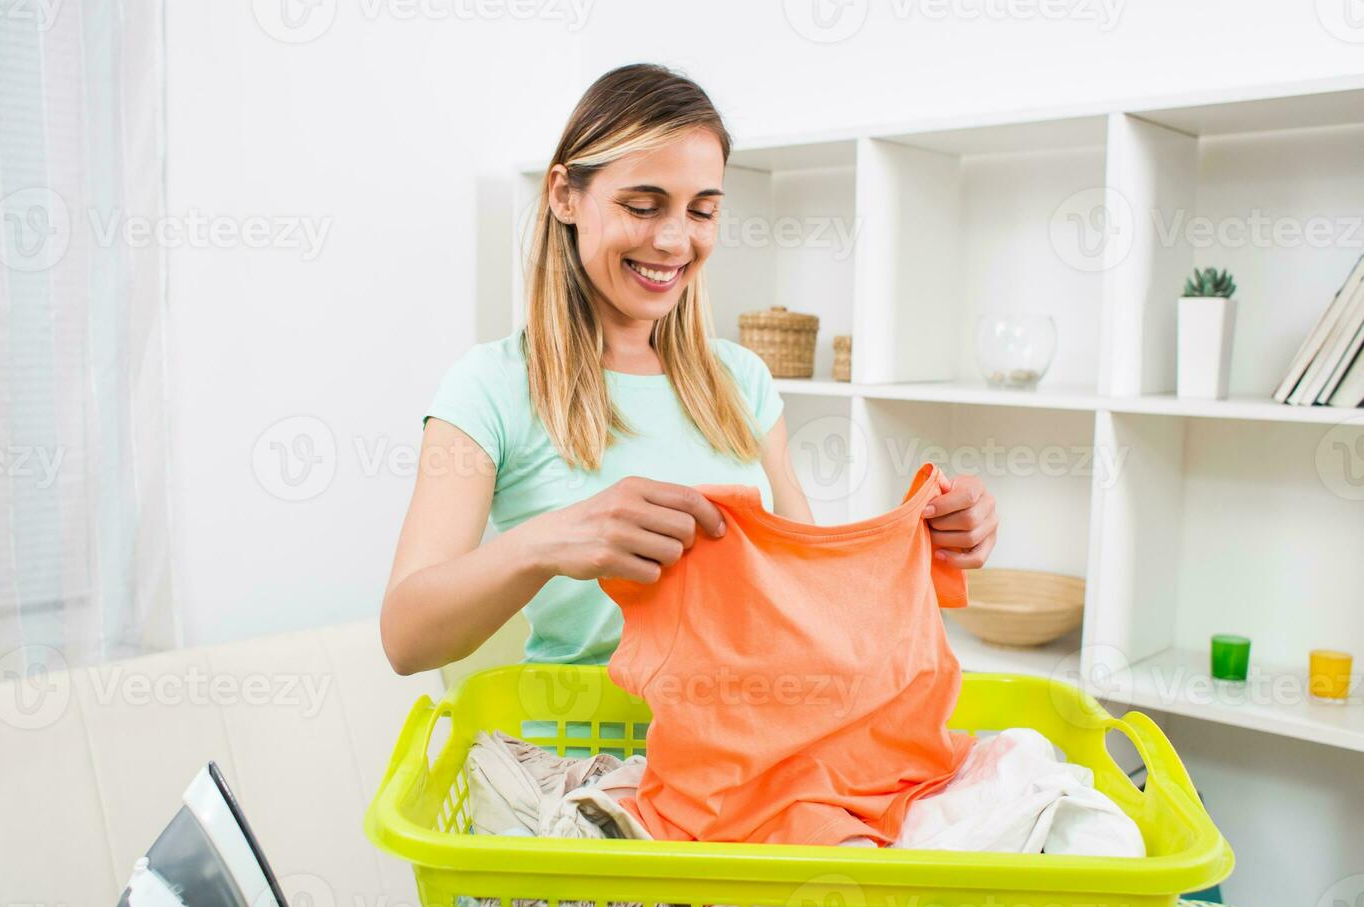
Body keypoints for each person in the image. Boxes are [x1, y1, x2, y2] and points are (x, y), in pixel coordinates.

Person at [381, 63, 998, 677]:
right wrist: (548, 543)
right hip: (581, 750)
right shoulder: (489, 387)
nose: (676, 242)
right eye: (644, 206)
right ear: (564, 195)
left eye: (702, 212)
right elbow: (406, 640)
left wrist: (925, 539)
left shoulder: (742, 381)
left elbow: (809, 595)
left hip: (746, 739)